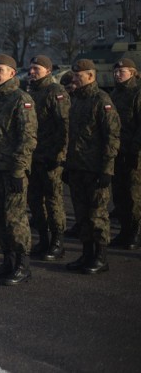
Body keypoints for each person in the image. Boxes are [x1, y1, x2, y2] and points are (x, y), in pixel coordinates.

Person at [0, 54, 37, 286]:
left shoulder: (20, 99)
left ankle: (22, 265)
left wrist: (18, 170)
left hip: (11, 170)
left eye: (0, 70)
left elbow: (27, 139)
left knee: (15, 219)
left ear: (12, 73)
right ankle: (8, 260)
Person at [65, 59, 120, 274]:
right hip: (78, 167)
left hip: (95, 169)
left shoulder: (101, 100)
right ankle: (86, 253)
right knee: (82, 215)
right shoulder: (76, 100)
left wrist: (107, 169)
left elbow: (112, 137)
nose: (75, 78)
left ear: (91, 76)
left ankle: (100, 256)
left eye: (79, 75)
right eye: (74, 74)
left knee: (97, 215)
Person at [26, 55, 70, 261]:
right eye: (31, 68)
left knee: (53, 201)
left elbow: (64, 126)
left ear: (48, 70)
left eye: (37, 68)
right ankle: (43, 238)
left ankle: (57, 242)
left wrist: (59, 155)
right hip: (33, 156)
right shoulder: (31, 92)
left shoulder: (56, 91)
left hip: (50, 156)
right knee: (35, 201)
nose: (32, 72)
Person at [108, 58, 140, 250]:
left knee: (134, 194)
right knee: (119, 193)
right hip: (117, 151)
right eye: (116, 72)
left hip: (133, 153)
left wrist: (135, 149)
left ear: (133, 73)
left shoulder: (137, 93)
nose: (118, 75)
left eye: (122, 72)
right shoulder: (114, 94)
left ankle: (135, 232)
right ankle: (125, 230)